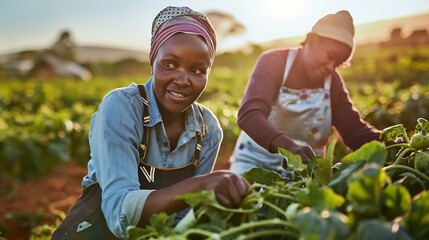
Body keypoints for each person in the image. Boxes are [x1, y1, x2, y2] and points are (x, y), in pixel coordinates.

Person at [53, 6, 250, 239]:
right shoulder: (122, 107)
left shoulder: (208, 129)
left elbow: (183, 219)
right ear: (152, 60)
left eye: (197, 70)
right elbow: (118, 214)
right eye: (170, 64)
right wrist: (197, 187)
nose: (183, 79)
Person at [229, 10, 380, 176]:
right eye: (330, 56)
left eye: (338, 64)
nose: (331, 67)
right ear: (312, 40)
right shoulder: (274, 62)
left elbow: (353, 130)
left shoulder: (332, 82)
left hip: (305, 174)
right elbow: (249, 115)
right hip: (254, 164)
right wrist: (289, 147)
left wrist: (391, 142)